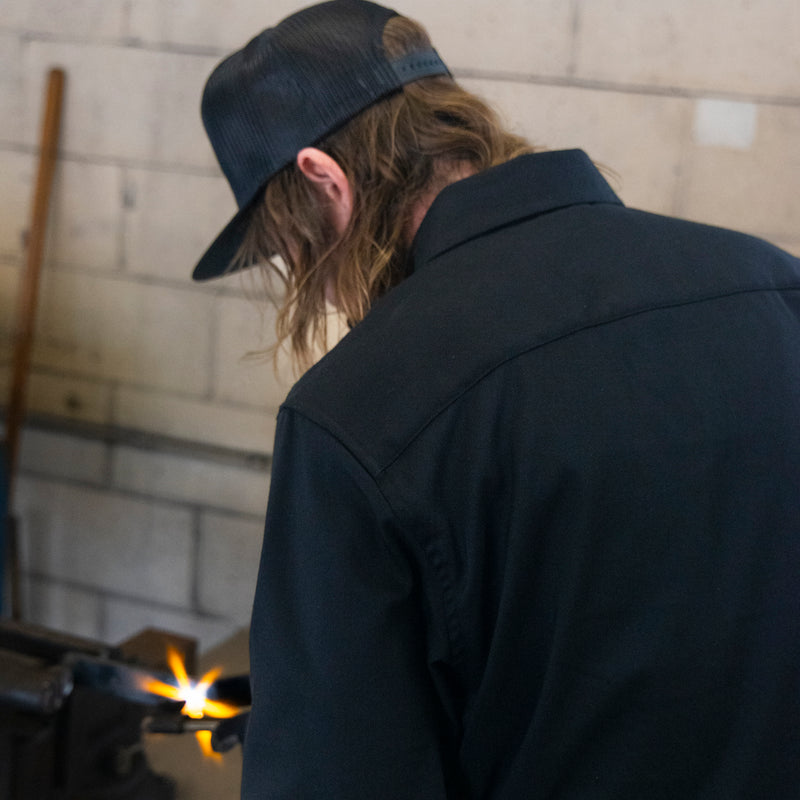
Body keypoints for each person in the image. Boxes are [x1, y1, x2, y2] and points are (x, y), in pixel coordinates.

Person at [193, 1, 800, 797]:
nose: (322, 285)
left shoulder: (357, 409)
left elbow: (336, 775)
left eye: (293, 250)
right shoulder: (772, 284)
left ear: (324, 180)